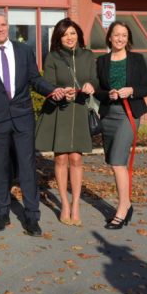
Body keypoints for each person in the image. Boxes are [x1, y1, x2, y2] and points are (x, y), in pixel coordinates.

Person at [0, 10, 63, 237]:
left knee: (27, 168)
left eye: (4, 24)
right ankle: (1, 213)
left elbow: (35, 80)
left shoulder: (23, 50)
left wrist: (52, 90)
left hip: (22, 119)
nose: (1, 29)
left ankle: (32, 216)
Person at [35, 18, 97, 227]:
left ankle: (76, 204)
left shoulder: (88, 56)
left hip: (79, 110)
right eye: (65, 34)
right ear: (58, 38)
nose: (69, 37)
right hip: (59, 112)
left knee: (77, 159)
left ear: (78, 34)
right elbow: (49, 84)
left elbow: (95, 80)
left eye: (72, 33)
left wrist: (90, 85)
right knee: (61, 158)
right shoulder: (52, 57)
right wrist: (60, 92)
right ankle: (64, 204)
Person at [94, 21, 147, 230]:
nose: (120, 39)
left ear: (128, 39)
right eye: (116, 35)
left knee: (118, 161)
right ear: (110, 37)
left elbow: (146, 87)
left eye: (124, 35)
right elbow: (98, 89)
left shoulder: (137, 59)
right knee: (113, 161)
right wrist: (106, 94)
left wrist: (132, 91)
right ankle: (127, 203)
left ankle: (122, 210)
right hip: (109, 114)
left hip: (129, 114)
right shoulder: (101, 61)